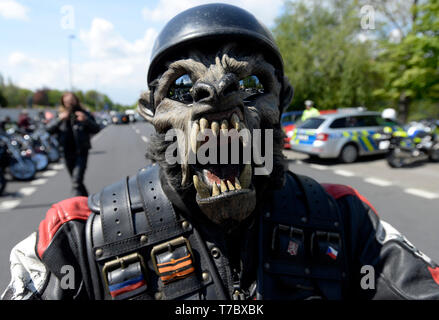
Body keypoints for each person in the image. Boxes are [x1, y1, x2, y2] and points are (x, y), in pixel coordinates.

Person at [2, 3, 439, 300]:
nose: (217, 93)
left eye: (252, 85)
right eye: (182, 88)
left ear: (281, 100)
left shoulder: (344, 219)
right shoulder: (77, 237)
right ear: (151, 112)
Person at [45, 92, 100, 197]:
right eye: (67, 102)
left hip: (81, 151)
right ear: (63, 103)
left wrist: (86, 120)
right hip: (66, 152)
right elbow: (48, 130)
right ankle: (86, 201)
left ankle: (76, 205)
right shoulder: (60, 115)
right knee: (76, 182)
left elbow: (96, 128)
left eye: (71, 101)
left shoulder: (83, 113)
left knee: (76, 180)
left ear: (76, 100)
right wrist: (59, 119)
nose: (69, 104)